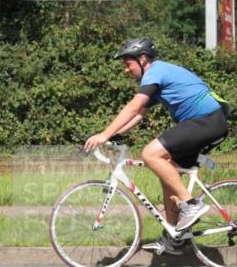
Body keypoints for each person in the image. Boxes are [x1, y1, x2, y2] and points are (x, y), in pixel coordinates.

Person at [84, 38, 228, 255]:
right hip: (207, 122)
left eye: (128, 64)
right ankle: (173, 237)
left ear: (143, 59)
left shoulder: (156, 71)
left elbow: (134, 106)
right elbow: (140, 113)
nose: (126, 70)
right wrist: (116, 134)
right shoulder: (158, 78)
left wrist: (104, 135)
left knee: (150, 154)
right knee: (166, 170)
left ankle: (191, 204)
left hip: (206, 121)